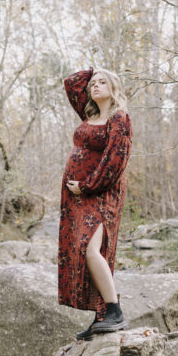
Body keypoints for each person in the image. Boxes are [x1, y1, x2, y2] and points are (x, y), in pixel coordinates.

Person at [58, 66, 133, 340]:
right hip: (78, 197)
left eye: (102, 82)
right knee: (81, 251)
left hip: (101, 194)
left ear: (114, 88)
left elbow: (116, 161)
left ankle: (114, 311)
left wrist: (87, 186)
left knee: (90, 249)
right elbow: (71, 83)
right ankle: (101, 315)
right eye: (93, 83)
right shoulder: (90, 115)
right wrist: (94, 70)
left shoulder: (119, 119)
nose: (94, 86)